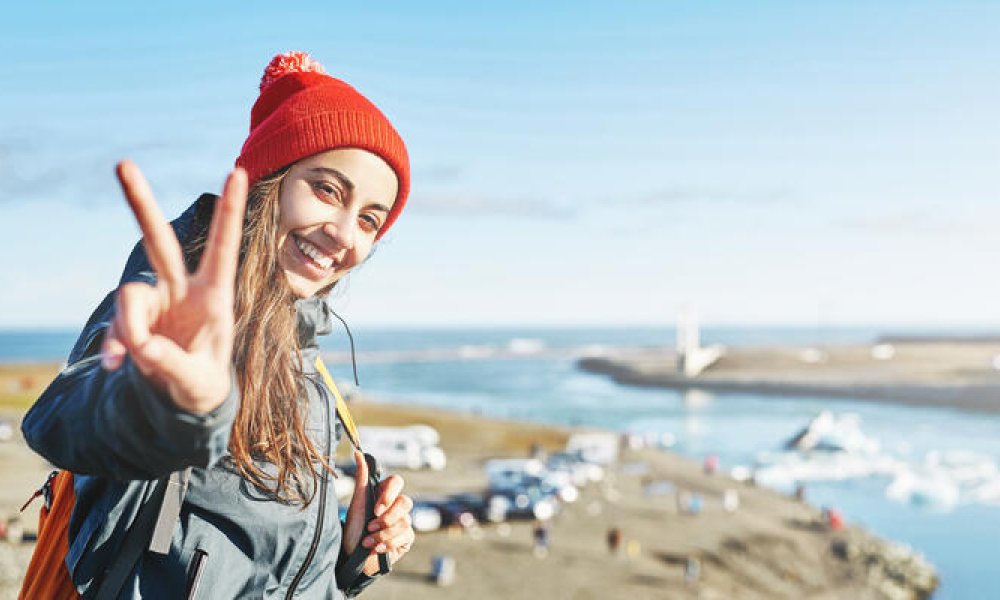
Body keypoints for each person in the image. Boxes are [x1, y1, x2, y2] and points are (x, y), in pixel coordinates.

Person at [21, 50, 415, 598]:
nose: (345, 234)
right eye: (327, 190)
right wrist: (174, 409)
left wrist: (348, 564)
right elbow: (61, 422)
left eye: (370, 219)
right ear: (267, 179)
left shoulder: (312, 373)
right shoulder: (176, 311)